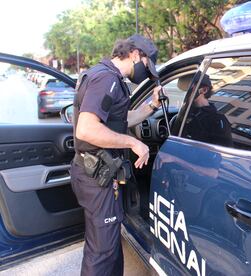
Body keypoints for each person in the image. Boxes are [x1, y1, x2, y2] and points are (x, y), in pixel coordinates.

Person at [70, 34, 161, 276]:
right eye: (146, 65)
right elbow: (87, 129)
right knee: (101, 252)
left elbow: (121, 120)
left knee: (108, 247)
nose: (145, 73)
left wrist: (151, 106)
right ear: (134, 54)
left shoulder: (108, 77)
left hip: (98, 174)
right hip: (96, 177)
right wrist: (133, 142)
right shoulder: (105, 79)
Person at [182, 72, 233, 147]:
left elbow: (220, 152)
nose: (184, 93)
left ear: (204, 90)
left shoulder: (217, 120)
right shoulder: (186, 112)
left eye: (187, 88)